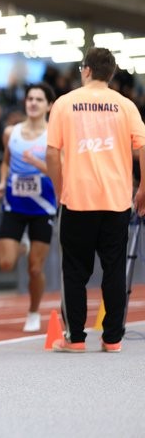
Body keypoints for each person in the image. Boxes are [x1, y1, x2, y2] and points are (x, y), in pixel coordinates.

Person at [46, 47, 145, 352]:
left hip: (77, 198)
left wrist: (60, 189)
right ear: (110, 74)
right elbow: (143, 147)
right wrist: (143, 188)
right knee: (114, 269)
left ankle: (75, 338)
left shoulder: (65, 103)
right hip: (116, 199)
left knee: (75, 270)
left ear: (86, 70)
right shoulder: (125, 105)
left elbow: (51, 153)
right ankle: (112, 339)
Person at [0, 83, 57, 332]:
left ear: (49, 106)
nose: (33, 103)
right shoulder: (12, 132)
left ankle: (33, 311)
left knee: (35, 268)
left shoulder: (54, 135)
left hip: (42, 207)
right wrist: (2, 181)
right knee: (5, 262)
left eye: (39, 99)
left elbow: (59, 171)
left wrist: (36, 163)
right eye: (30, 99)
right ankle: (23, 244)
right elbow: (6, 162)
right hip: (14, 204)